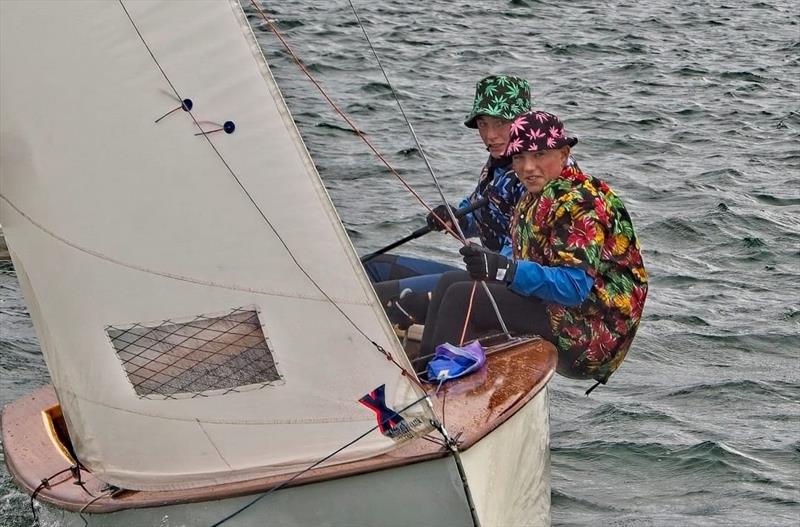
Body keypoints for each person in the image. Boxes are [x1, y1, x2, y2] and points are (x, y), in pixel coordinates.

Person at [419, 110, 648, 387]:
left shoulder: (580, 203)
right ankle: (422, 378)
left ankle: (435, 396)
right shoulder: (532, 197)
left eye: (539, 155)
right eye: (519, 157)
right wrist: (493, 264)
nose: (528, 167)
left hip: (592, 334)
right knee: (451, 282)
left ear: (563, 154)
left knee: (462, 298)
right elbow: (514, 254)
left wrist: (507, 271)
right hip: (559, 312)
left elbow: (574, 288)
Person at [368, 74, 534, 327]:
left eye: (501, 123)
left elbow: (524, 255)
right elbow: (480, 215)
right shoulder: (497, 165)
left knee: (376, 299)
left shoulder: (534, 176)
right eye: (482, 124)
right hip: (479, 277)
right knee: (367, 268)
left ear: (523, 123)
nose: (490, 135)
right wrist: (452, 216)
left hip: (499, 290)